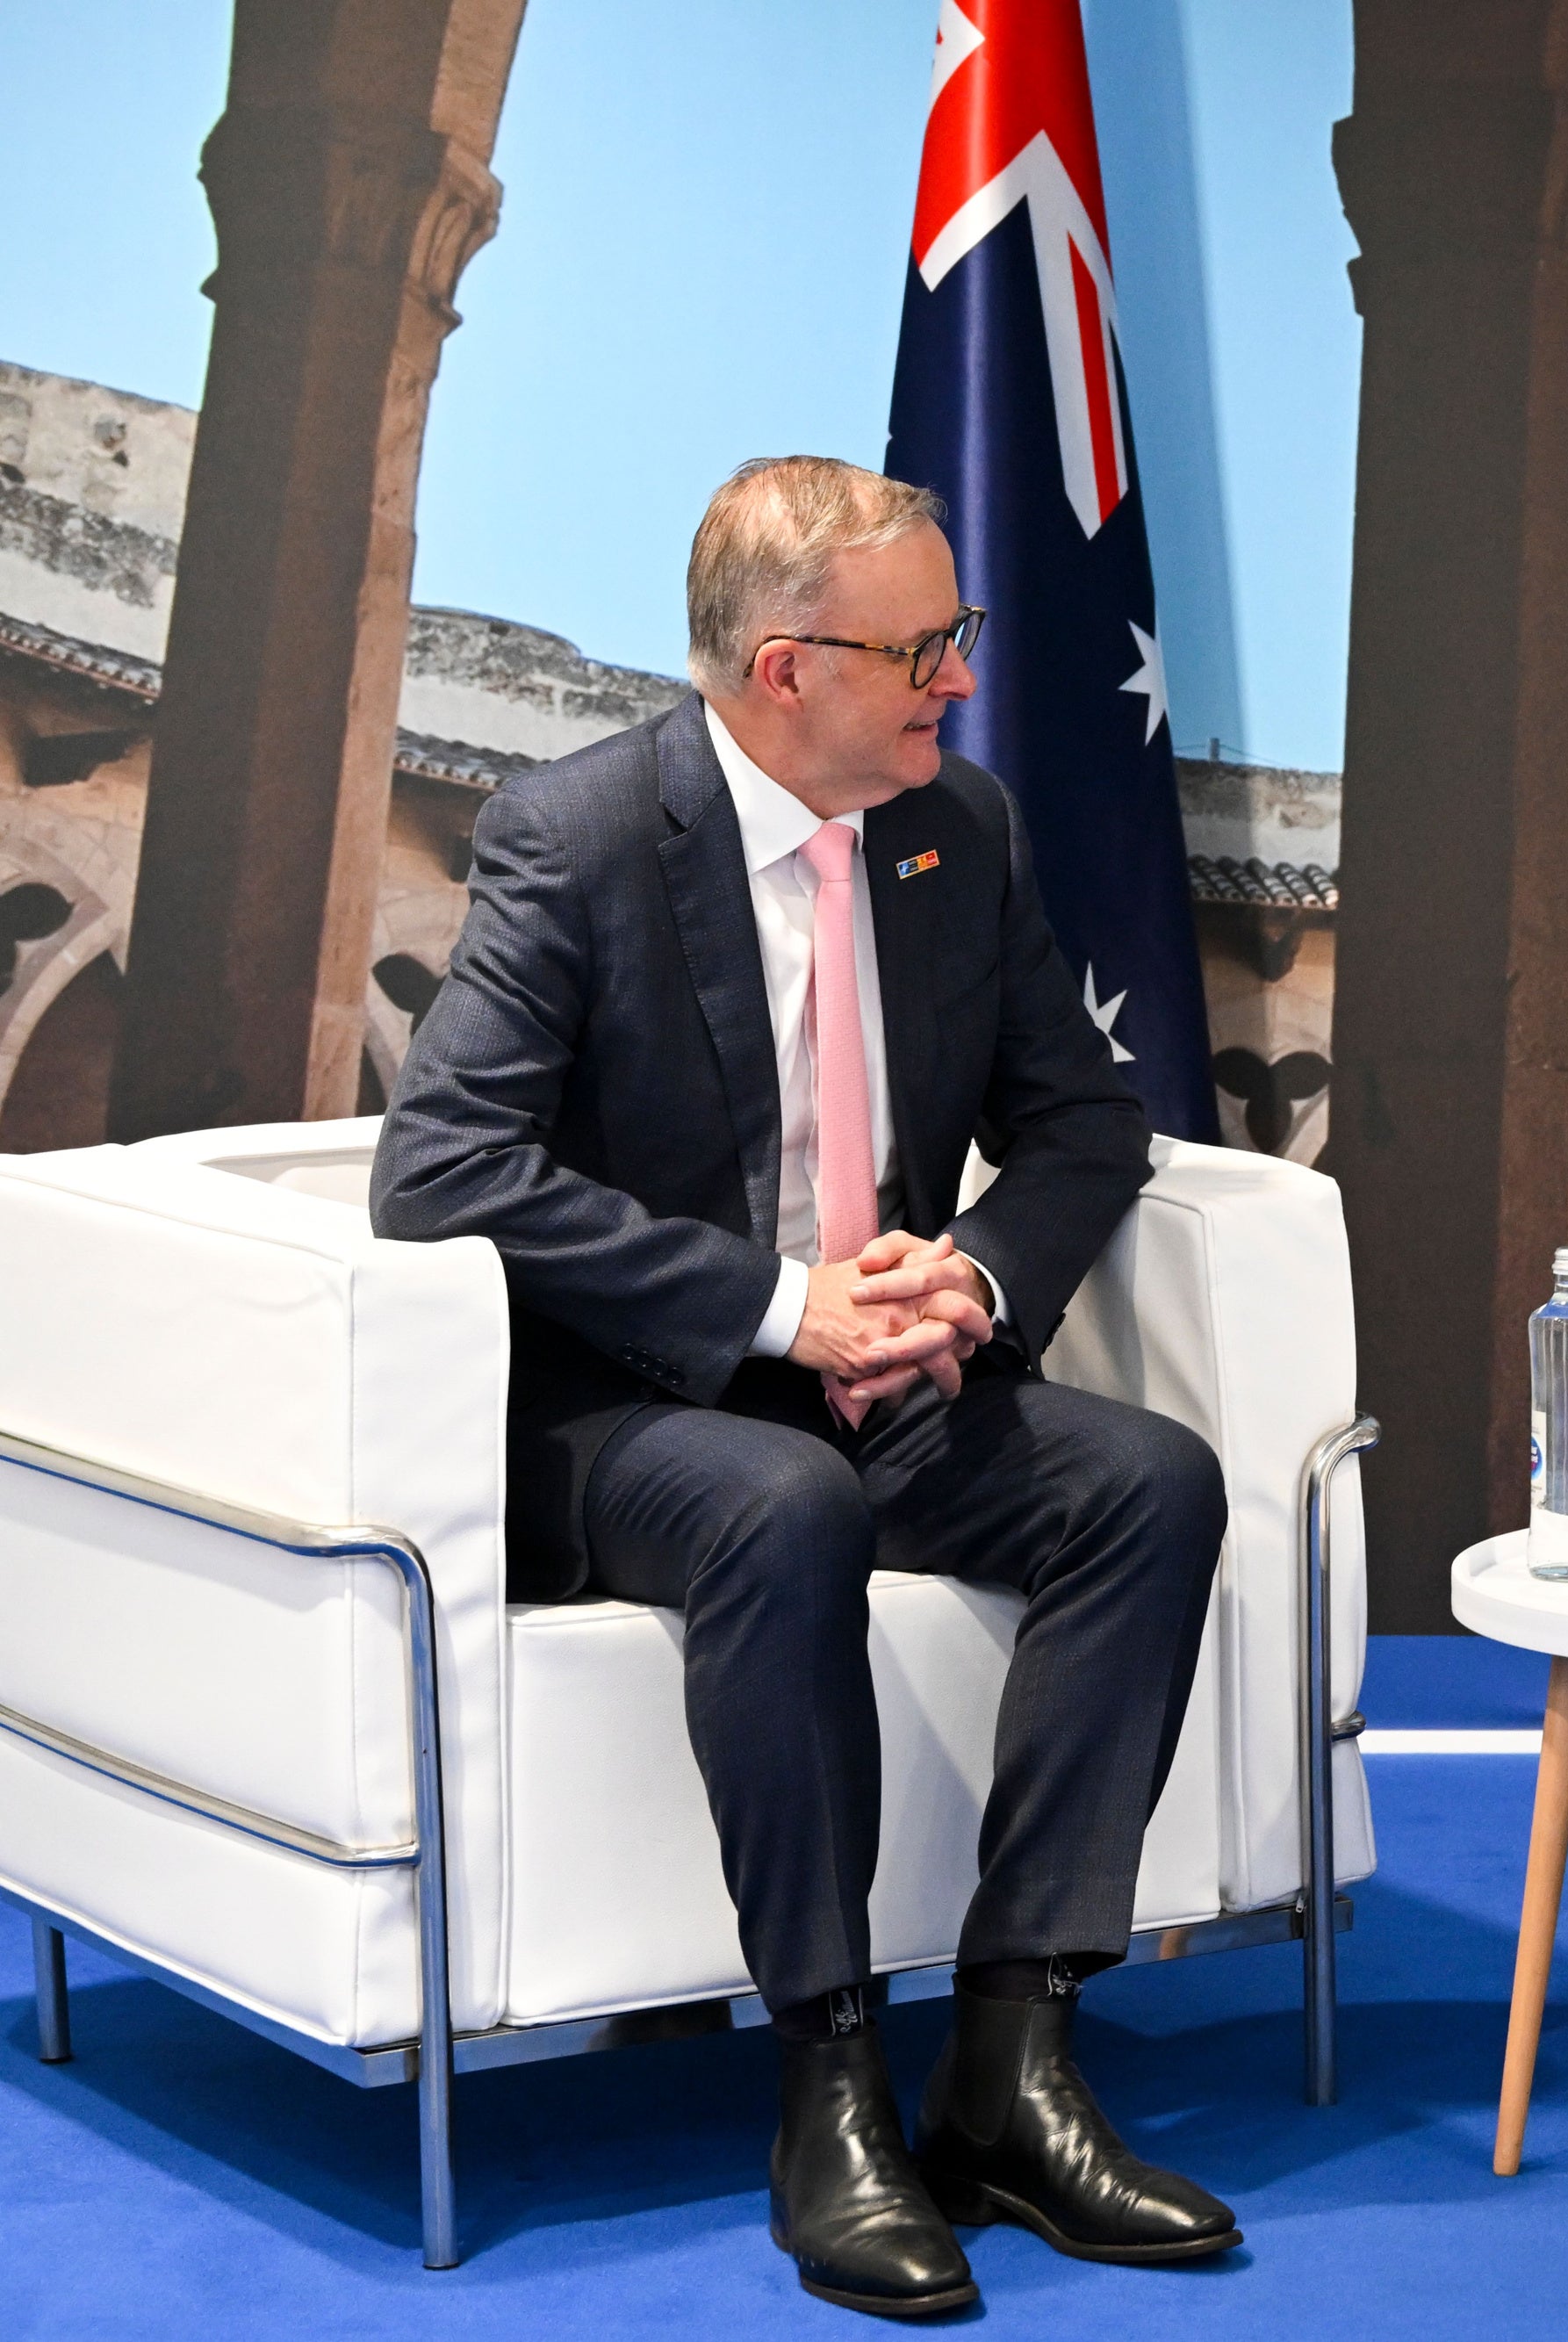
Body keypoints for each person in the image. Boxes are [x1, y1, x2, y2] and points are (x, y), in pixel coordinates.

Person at [375, 457, 1237, 2320]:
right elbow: (439, 1170)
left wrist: (975, 1271)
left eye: (962, 636)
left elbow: (1086, 1123)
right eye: (924, 646)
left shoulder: (958, 831)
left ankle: (1010, 2060)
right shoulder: (580, 835)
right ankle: (826, 2083)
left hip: (892, 1377)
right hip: (629, 1411)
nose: (958, 680)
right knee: (787, 1503)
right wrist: (779, 1308)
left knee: (1149, 1481)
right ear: (784, 669)